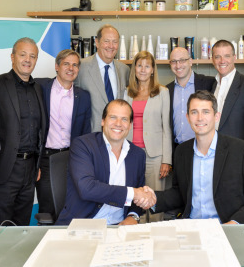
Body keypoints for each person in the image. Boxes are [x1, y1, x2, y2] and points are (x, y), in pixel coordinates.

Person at [141, 90, 244, 224]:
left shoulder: (241, 151)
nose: (200, 118)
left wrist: (234, 223)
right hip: (192, 226)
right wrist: (154, 197)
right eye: (194, 112)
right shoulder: (182, 151)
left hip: (226, 227)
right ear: (187, 117)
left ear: (216, 116)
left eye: (206, 112)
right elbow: (180, 193)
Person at [56, 99, 154, 225]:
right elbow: (87, 188)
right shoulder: (83, 145)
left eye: (124, 119)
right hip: (84, 225)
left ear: (130, 125)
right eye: (113, 117)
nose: (118, 124)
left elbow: (138, 197)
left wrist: (133, 216)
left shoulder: (138, 155)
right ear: (103, 121)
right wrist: (133, 193)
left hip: (119, 226)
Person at [0, 37, 47, 226]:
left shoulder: (37, 88)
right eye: (23, 54)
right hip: (6, 167)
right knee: (3, 222)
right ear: (12, 57)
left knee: (22, 223)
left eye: (33, 56)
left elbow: (40, 129)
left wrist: (37, 164)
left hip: (30, 168)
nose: (27, 60)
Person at [35, 49, 92, 218]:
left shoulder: (83, 96)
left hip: (70, 158)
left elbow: (84, 133)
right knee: (47, 206)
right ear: (57, 67)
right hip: (45, 158)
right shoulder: (40, 87)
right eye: (66, 64)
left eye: (75, 65)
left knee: (69, 204)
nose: (71, 68)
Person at [124, 51, 172, 192]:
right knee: (134, 196)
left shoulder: (162, 92)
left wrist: (166, 160)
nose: (143, 70)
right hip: (130, 152)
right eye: (139, 66)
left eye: (147, 66)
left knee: (154, 197)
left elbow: (166, 128)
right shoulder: (126, 93)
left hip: (155, 155)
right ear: (134, 69)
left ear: (152, 70)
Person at [75, 24, 129, 132]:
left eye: (115, 41)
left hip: (118, 134)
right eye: (106, 41)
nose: (111, 46)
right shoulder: (81, 67)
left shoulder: (125, 70)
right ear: (97, 42)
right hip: (91, 136)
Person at [211, 40, 244, 140]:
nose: (222, 61)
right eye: (217, 57)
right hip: (213, 148)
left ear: (234, 58)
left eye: (227, 56)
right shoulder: (212, 85)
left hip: (239, 149)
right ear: (212, 60)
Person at [166, 47, 215, 153]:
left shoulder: (209, 83)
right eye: (174, 61)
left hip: (204, 148)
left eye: (182, 60)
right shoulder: (166, 90)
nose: (178, 65)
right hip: (177, 150)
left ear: (190, 61)